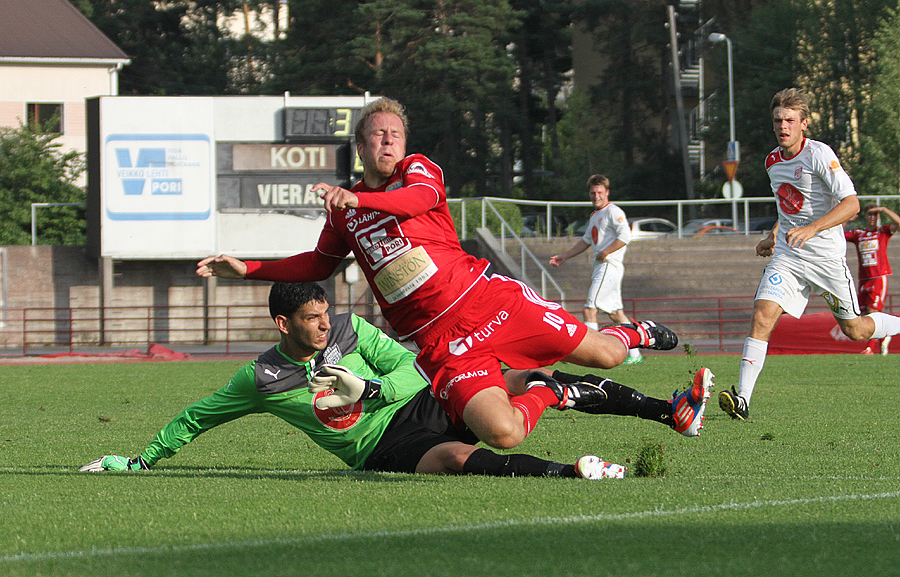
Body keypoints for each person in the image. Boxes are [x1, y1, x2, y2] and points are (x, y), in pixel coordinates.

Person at [197, 97, 713, 449]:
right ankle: (551, 390)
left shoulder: (419, 170)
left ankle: (635, 330)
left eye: (395, 133)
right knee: (504, 434)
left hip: (487, 303)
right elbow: (318, 265)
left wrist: (362, 197)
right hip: (439, 339)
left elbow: (417, 200)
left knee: (610, 354)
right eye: (377, 135)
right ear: (360, 146)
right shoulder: (343, 210)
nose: (388, 141)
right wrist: (247, 267)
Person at [79, 282, 699, 479]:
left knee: (525, 376)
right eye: (311, 319)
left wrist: (370, 387)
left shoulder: (353, 331)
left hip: (422, 400)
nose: (324, 324)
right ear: (282, 323)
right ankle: (573, 474)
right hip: (382, 447)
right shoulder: (261, 378)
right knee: (458, 460)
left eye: (326, 313)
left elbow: (410, 369)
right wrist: (139, 461)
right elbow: (197, 417)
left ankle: (666, 410)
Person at [719, 88, 900, 420]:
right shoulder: (772, 161)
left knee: (855, 330)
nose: (783, 126)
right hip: (789, 256)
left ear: (804, 124)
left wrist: (812, 229)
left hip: (826, 259)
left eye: (789, 120)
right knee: (762, 315)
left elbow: (852, 204)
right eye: (778, 120)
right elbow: (787, 208)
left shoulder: (820, 154)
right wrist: (773, 236)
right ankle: (742, 399)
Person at [549, 174, 643, 365]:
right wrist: (564, 256)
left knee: (589, 309)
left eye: (600, 192)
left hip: (609, 266)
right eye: (593, 192)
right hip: (603, 267)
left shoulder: (613, 211)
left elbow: (626, 235)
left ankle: (592, 354)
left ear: (607, 192)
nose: (596, 196)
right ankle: (635, 355)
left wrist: (605, 252)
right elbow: (586, 241)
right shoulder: (595, 215)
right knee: (616, 314)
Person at [844, 202, 900, 355]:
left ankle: (870, 348)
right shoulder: (859, 234)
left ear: (878, 216)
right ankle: (884, 336)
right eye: (870, 214)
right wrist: (847, 219)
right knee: (862, 315)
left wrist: (884, 208)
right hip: (863, 279)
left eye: (875, 214)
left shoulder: (882, 232)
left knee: (872, 312)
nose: (872, 217)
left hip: (878, 277)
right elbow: (837, 235)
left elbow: (898, 223)